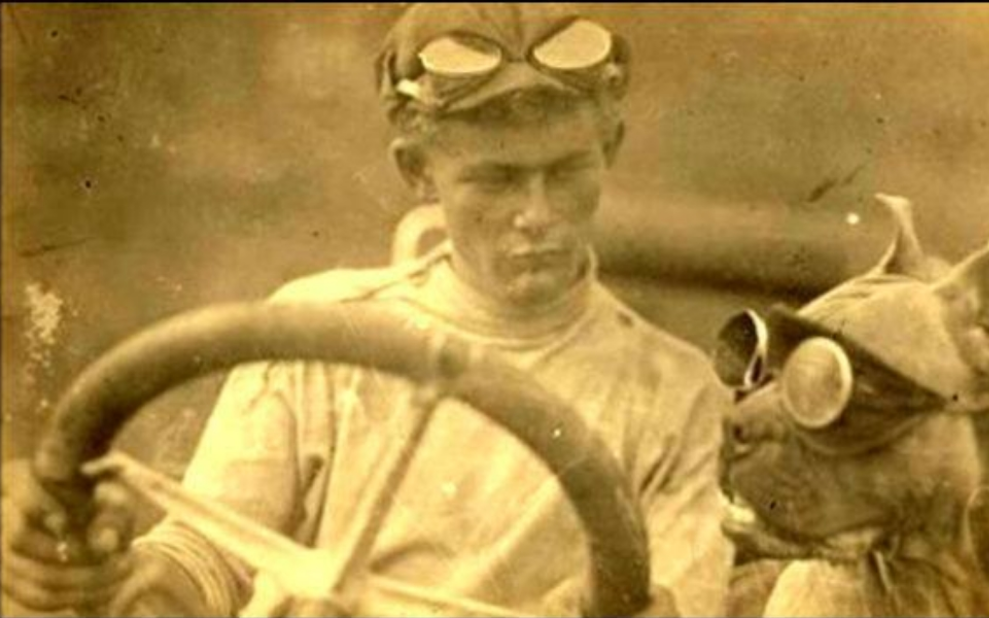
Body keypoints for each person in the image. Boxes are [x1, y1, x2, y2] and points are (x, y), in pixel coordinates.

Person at [1, 4, 734, 616]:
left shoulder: (677, 395)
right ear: (418, 172)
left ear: (610, 147)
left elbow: (675, 602)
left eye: (566, 171)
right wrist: (112, 579)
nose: (536, 214)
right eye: (495, 180)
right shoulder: (315, 329)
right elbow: (205, 558)